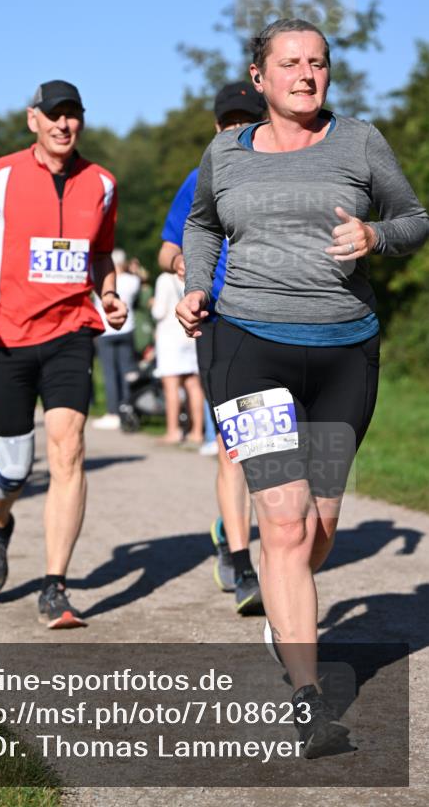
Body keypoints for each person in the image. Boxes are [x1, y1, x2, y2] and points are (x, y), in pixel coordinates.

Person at [177, 18, 429, 757]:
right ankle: (308, 701)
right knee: (281, 523)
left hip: (343, 353)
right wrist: (197, 286)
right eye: (289, 64)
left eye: (317, 63)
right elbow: (200, 226)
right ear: (258, 77)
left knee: (315, 530)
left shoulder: (358, 142)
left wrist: (375, 238)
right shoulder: (226, 151)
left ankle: (282, 615)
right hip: (249, 347)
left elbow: (415, 218)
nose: (306, 75)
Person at [0, 79, 127, 629]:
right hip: (4, 336)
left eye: (73, 115)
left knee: (68, 449)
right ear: (33, 120)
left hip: (71, 331)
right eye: (54, 115)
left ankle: (55, 585)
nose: (63, 124)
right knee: (14, 469)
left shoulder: (103, 183)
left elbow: (100, 256)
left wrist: (109, 293)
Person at [158, 80, 266, 615]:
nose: (238, 131)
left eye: (248, 121)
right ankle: (243, 565)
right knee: (236, 445)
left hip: (276, 322)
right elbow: (166, 250)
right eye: (229, 123)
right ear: (217, 128)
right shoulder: (200, 179)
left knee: (277, 446)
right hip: (218, 320)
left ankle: (231, 526)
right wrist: (185, 267)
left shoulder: (283, 176)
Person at [151, 270, 204, 445]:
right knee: (193, 385)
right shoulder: (194, 276)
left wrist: (152, 304)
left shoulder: (164, 279)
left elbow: (158, 312)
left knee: (171, 385)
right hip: (190, 334)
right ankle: (197, 432)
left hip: (170, 337)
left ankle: (173, 431)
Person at [92, 248, 140, 430]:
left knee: (110, 373)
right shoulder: (132, 280)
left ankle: (112, 411)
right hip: (127, 328)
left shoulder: (100, 278)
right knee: (127, 371)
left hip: (106, 330)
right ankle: (127, 407)